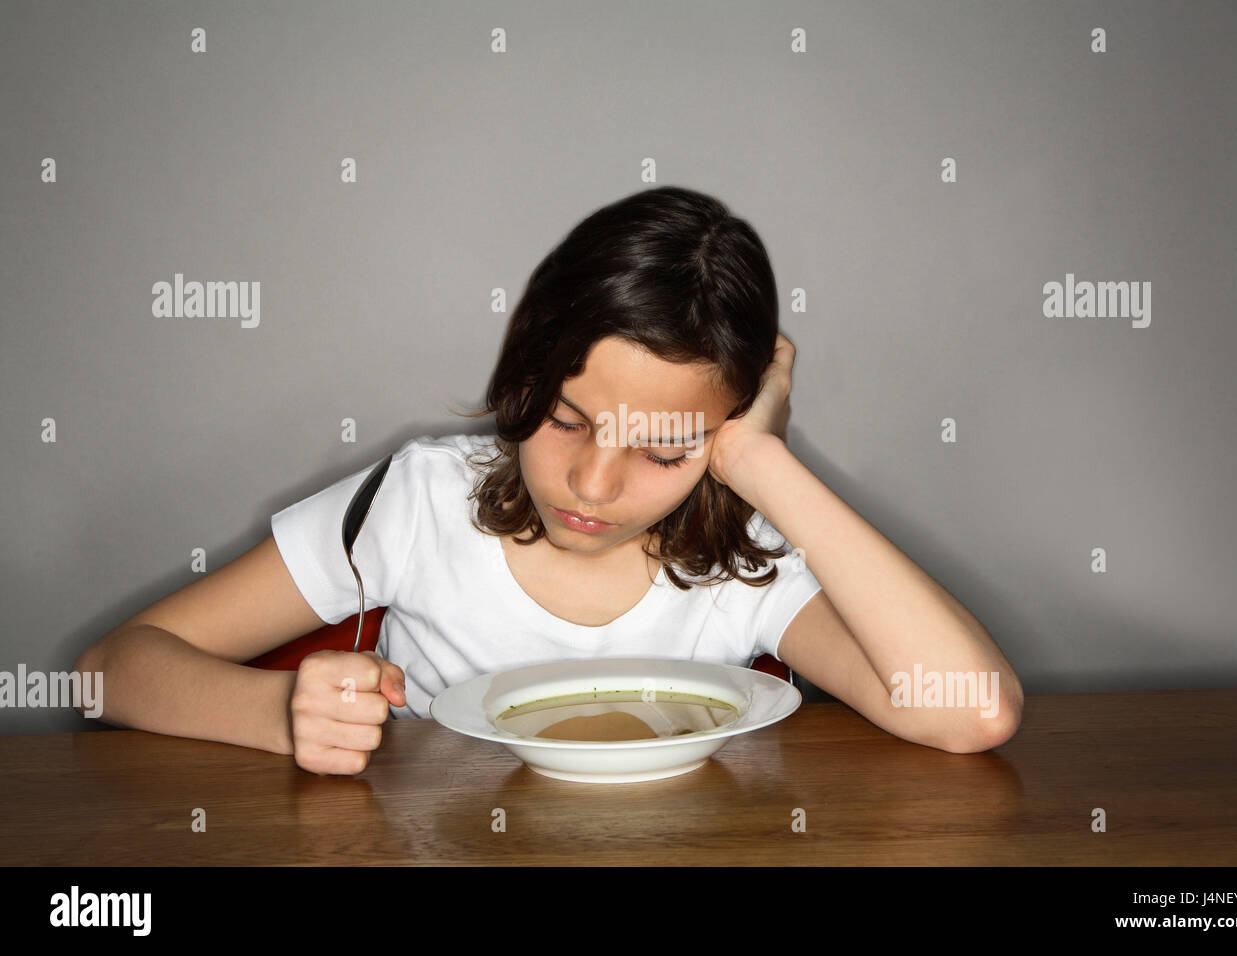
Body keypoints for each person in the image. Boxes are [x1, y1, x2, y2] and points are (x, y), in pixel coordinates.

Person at [74, 186, 1023, 775]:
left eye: (664, 450)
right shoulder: (415, 506)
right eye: (565, 418)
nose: (592, 484)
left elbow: (972, 712)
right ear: (522, 373)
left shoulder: (744, 558)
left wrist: (761, 464)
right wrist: (281, 714)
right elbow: (107, 672)